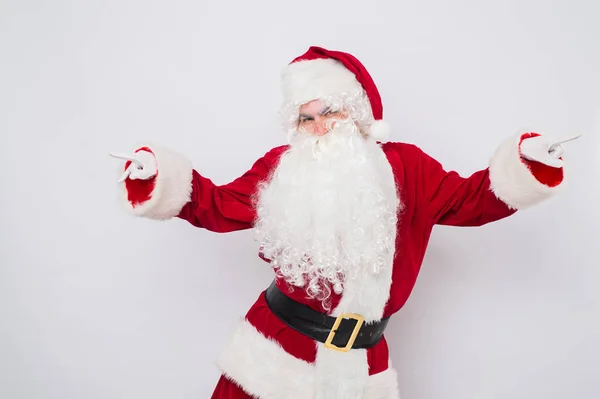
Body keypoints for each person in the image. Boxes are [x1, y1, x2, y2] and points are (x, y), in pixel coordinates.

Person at [111, 46, 569, 399]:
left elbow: (473, 200)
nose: (318, 127)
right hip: (273, 349)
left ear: (357, 111)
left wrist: (526, 165)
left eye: (328, 111)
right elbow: (218, 205)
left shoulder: (408, 168)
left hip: (363, 360)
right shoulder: (281, 167)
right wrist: (159, 175)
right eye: (305, 117)